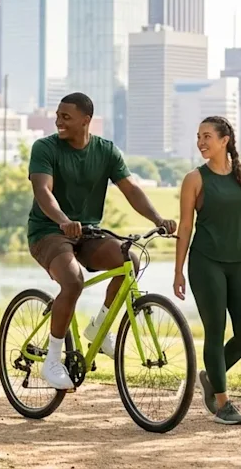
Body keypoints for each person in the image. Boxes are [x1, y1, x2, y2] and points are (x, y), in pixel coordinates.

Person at [27, 92, 177, 391]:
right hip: (48, 230)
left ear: (86, 120)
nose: (58, 121)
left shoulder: (106, 151)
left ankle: (99, 328)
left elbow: (131, 189)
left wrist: (158, 220)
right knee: (72, 281)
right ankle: (53, 359)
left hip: (88, 232)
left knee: (129, 261)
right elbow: (44, 191)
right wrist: (62, 220)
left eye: (66, 117)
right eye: (57, 115)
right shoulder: (45, 148)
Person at [173, 116, 241, 426]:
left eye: (207, 136)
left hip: (239, 262)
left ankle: (211, 376)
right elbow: (186, 226)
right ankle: (223, 403)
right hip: (205, 262)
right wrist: (178, 270)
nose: (201, 142)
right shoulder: (194, 179)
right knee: (215, 330)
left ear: (225, 140)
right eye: (198, 136)